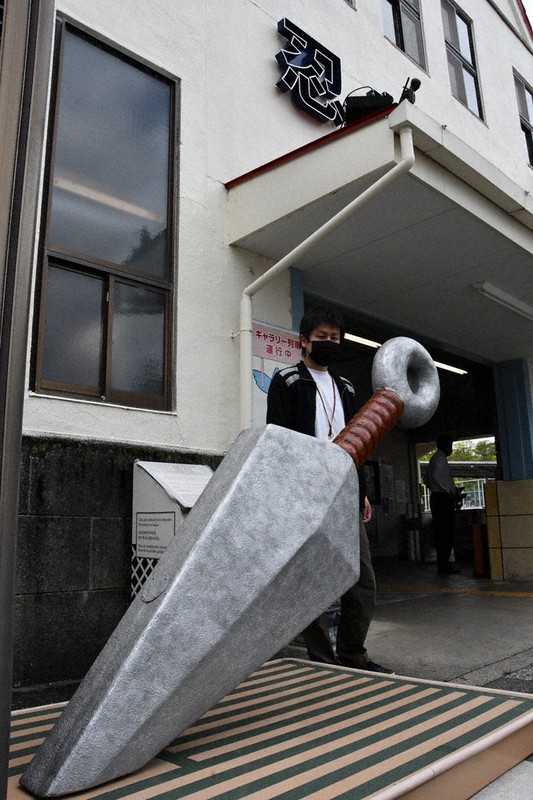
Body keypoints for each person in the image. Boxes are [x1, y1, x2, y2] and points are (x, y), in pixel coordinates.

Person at [266, 306, 392, 673]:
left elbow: (361, 444)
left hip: (345, 493)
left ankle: (354, 655)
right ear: (303, 341)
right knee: (310, 582)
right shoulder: (288, 381)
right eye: (321, 338)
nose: (329, 344)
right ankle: (322, 659)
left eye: (335, 339)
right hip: (307, 496)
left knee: (361, 578)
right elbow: (280, 444)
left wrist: (362, 492)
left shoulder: (347, 386)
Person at [425, 434, 461, 576]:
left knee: (440, 533)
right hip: (443, 498)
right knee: (446, 533)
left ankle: (444, 565)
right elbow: (436, 477)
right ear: (446, 446)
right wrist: (449, 491)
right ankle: (445, 566)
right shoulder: (440, 459)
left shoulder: (433, 459)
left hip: (436, 497)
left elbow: (428, 478)